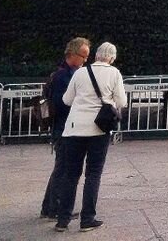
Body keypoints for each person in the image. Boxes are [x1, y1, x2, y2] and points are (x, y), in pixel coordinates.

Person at [55, 42, 127, 233]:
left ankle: (62, 219)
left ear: (96, 55)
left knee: (70, 175)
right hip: (98, 129)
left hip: (74, 128)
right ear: (112, 57)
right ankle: (87, 218)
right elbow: (122, 101)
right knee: (93, 174)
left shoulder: (80, 73)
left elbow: (66, 100)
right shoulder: (114, 73)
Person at [41, 37, 90, 221]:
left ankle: (48, 206)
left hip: (62, 126)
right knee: (63, 169)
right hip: (63, 127)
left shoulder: (64, 73)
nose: (85, 60)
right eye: (83, 56)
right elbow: (61, 104)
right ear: (72, 54)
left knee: (60, 168)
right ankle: (55, 207)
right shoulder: (64, 76)